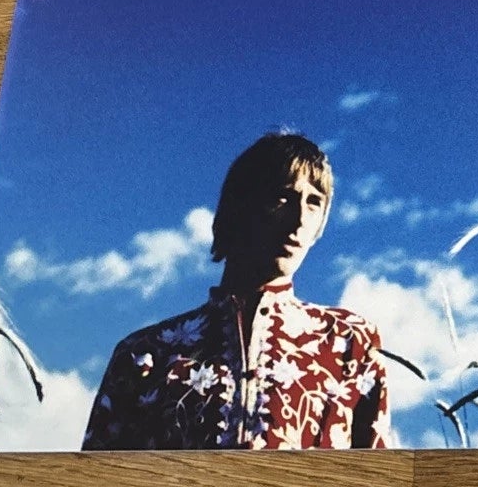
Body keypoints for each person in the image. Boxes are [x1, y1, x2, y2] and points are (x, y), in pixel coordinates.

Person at [82, 133, 388, 450]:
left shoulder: (349, 342)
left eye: (314, 202)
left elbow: (380, 469)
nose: (299, 220)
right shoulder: (146, 354)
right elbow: (96, 472)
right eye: (283, 196)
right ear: (240, 205)